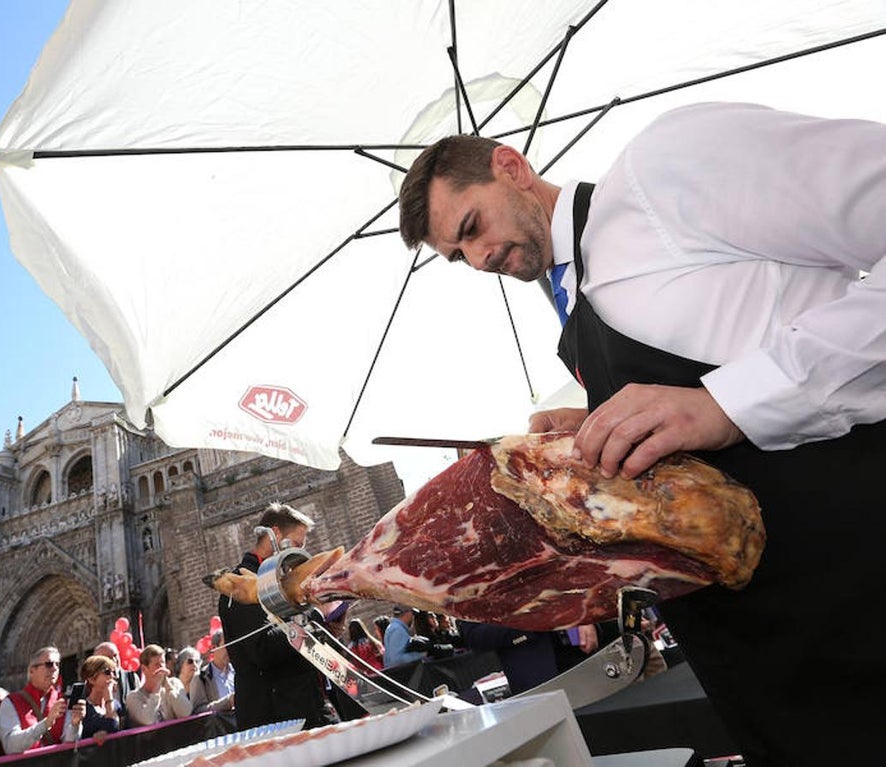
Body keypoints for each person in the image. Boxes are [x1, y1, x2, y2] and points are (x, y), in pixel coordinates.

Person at [397, 101, 886, 766]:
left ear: (510, 168)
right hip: (761, 671)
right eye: (459, 255)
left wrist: (726, 403)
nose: (480, 258)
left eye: (473, 226)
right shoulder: (579, 317)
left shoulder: (667, 163)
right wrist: (594, 428)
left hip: (857, 601)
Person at [217, 503, 338, 732]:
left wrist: (329, 626)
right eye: (296, 544)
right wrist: (315, 614)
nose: (299, 555)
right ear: (275, 534)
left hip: (306, 708)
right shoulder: (239, 584)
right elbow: (262, 649)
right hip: (277, 720)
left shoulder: (280, 582)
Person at [0, 647, 78, 754]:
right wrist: (46, 724)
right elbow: (11, 746)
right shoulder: (11, 702)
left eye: (57, 664)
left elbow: (70, 743)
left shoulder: (62, 701)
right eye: (49, 664)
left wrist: (76, 723)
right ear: (32, 670)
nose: (54, 668)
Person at [124, 645, 191, 726]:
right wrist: (156, 689)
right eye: (157, 664)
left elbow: (186, 712)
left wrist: (168, 687)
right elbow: (148, 720)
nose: (161, 667)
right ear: (144, 669)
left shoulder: (174, 683)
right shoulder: (133, 697)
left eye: (162, 662)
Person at [61, 656, 121, 743]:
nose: (112, 676)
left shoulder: (115, 704)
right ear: (92, 679)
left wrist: (108, 697)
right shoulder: (82, 707)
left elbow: (115, 725)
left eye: (114, 672)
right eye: (107, 672)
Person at [189, 631, 235, 726]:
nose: (230, 649)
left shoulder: (238, 671)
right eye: (226, 645)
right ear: (214, 648)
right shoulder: (201, 678)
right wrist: (228, 702)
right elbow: (198, 712)